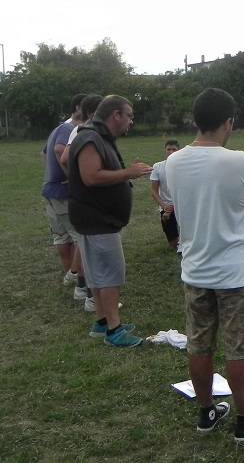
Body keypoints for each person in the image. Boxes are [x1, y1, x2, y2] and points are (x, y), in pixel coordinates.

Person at [167, 88, 244, 443]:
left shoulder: (172, 162)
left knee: (199, 343)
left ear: (196, 121)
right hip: (236, 270)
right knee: (240, 347)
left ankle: (207, 413)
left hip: (195, 268)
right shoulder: (240, 160)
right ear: (228, 122)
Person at [68, 95, 152, 346]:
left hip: (95, 218)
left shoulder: (97, 136)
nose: (131, 121)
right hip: (97, 219)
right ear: (115, 115)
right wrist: (129, 172)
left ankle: (102, 322)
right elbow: (91, 176)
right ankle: (114, 331)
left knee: (97, 272)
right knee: (111, 274)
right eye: (129, 116)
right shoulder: (90, 137)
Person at [59, 93, 103, 307]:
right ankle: (89, 295)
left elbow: (65, 159)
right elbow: (65, 159)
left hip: (80, 196)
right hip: (88, 198)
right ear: (94, 112)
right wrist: (81, 180)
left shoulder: (78, 130)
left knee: (86, 244)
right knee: (90, 245)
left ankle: (83, 289)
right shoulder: (88, 132)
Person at [43, 93, 85, 287]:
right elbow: (59, 151)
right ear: (78, 108)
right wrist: (70, 177)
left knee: (62, 236)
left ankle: (70, 274)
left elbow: (44, 152)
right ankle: (74, 275)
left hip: (51, 190)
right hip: (62, 192)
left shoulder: (59, 127)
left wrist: (51, 174)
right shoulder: (70, 128)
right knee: (81, 236)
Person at [150, 140, 181, 250]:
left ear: (179, 151)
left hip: (182, 206)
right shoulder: (157, 167)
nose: (171, 152)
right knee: (174, 245)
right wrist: (164, 206)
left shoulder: (184, 167)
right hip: (166, 207)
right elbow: (154, 191)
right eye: (169, 149)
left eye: (174, 149)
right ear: (165, 151)